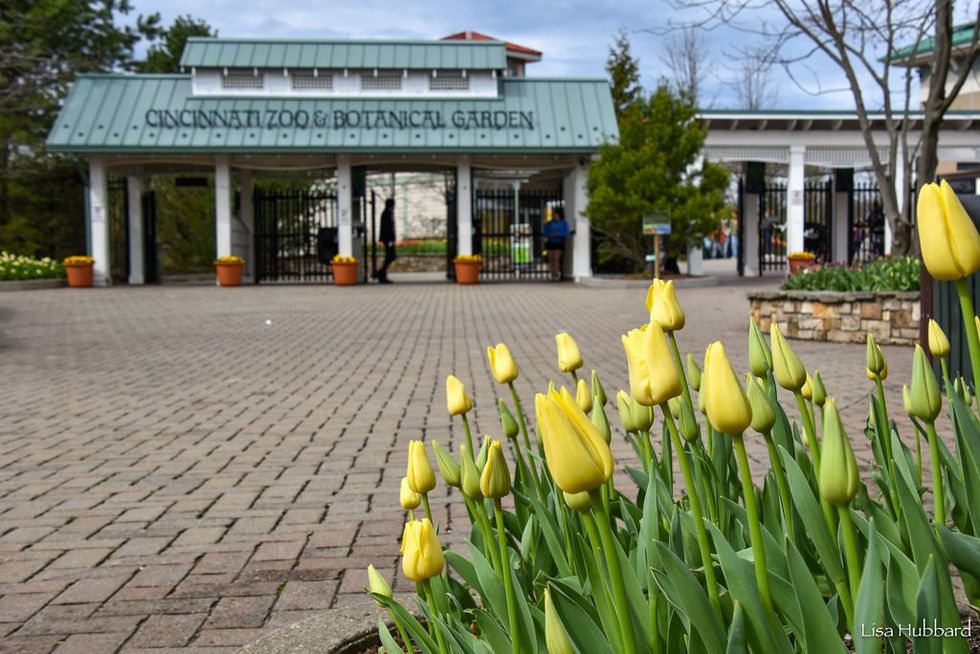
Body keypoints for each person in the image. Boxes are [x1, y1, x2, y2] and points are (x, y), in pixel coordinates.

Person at [542, 207, 569, 281]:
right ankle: (552, 274)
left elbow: (566, 233)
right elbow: (545, 232)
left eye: (557, 214)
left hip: (559, 242)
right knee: (551, 259)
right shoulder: (550, 223)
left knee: (556, 259)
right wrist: (550, 234)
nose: (555, 216)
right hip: (550, 242)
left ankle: (557, 273)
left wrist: (558, 234)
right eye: (554, 214)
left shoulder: (563, 223)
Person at [374, 198, 396, 283]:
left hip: (388, 239)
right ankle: (380, 273)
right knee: (391, 256)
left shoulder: (388, 213)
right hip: (388, 239)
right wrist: (390, 239)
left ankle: (381, 273)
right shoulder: (387, 213)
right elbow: (387, 228)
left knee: (390, 256)